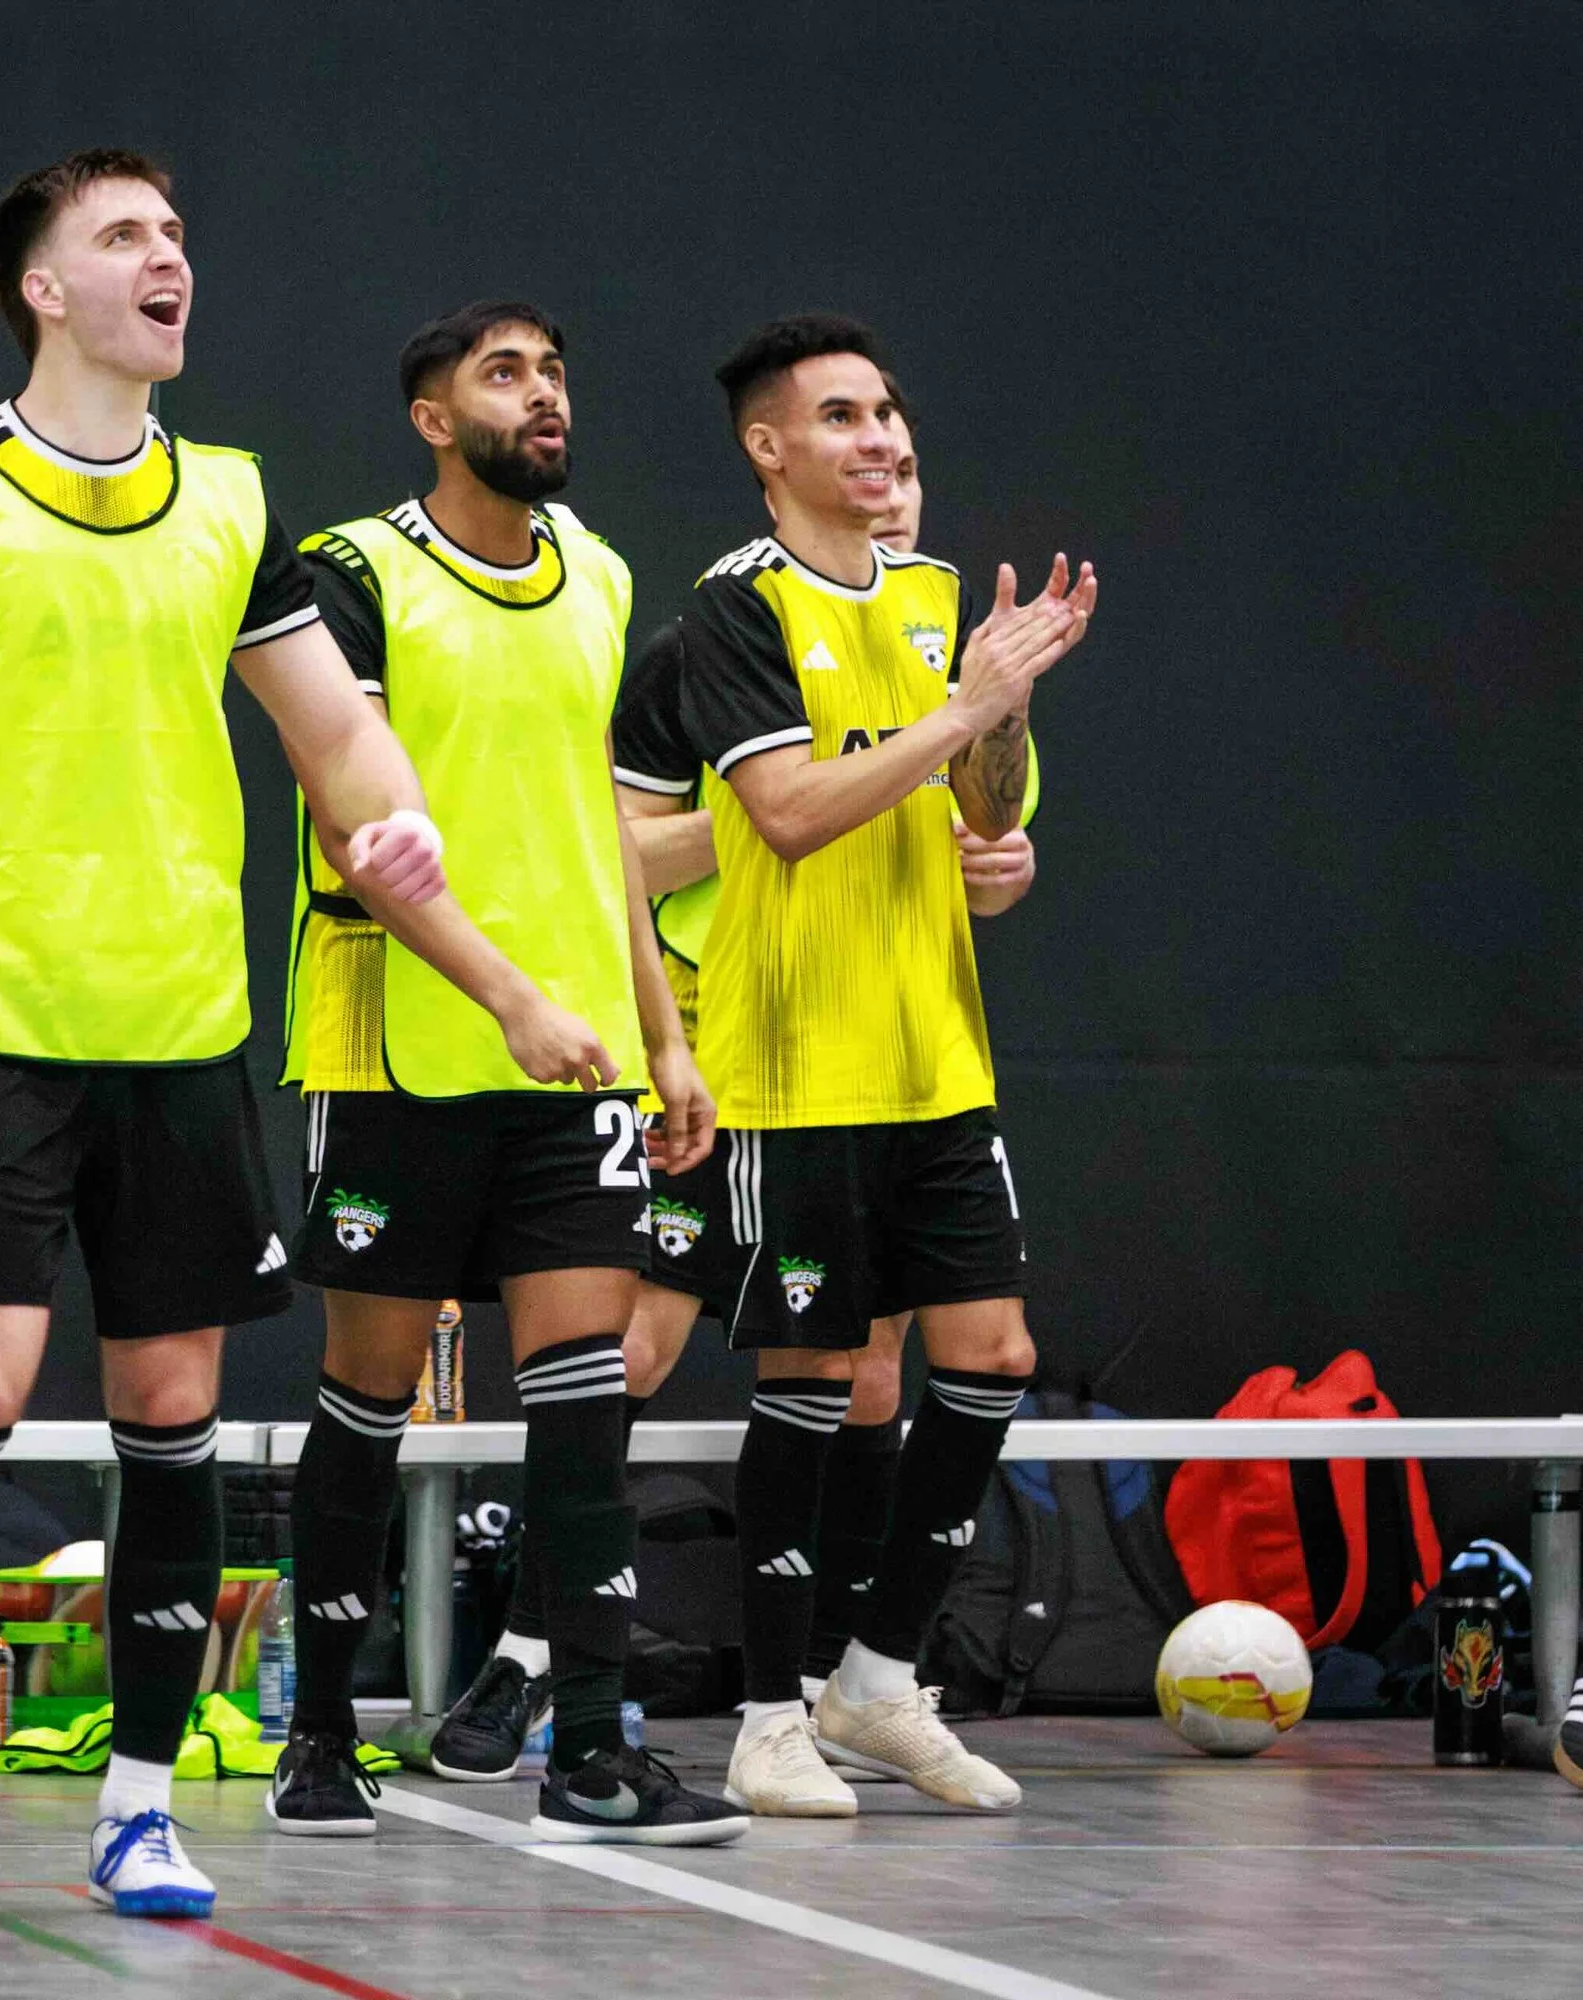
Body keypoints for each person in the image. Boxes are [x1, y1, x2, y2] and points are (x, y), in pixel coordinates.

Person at [0, 150, 444, 1920]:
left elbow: (335, 734)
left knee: (175, 1407)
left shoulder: (230, 500)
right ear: (44, 291)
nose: (170, 257)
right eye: (127, 236)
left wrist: (396, 812)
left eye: (179, 235)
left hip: (185, 1016)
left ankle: (141, 1803)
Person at [438, 405, 1043, 1779]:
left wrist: (993, 864)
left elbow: (984, 847)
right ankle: (533, 1656)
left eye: (904, 470)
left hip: (872, 1061)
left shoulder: (947, 653)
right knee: (629, 1352)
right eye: (855, 457)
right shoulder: (712, 649)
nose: (886, 498)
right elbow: (603, 858)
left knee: (878, 1375)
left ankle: (853, 1683)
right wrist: (784, 812)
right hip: (706, 1047)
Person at [264, 301, 743, 1847]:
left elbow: (598, 825)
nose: (544, 396)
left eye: (554, 372)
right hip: (400, 1045)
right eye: (505, 374)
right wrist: (508, 994)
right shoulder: (350, 575)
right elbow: (356, 825)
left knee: (584, 1393)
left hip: (580, 1056)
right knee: (371, 1393)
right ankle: (321, 1733)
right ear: (428, 414)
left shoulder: (600, 575)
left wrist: (659, 1031)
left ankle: (592, 1747)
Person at [673, 312, 1093, 1818]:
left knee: (990, 1360)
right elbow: (783, 814)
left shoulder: (933, 599)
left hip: (939, 1057)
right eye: (844, 416)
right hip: (794, 1065)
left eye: (893, 412)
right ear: (770, 450)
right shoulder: (732, 613)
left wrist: (1004, 728)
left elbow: (985, 822)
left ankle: (880, 1677)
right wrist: (966, 709)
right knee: (819, 1377)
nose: (886, 439)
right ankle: (765, 1712)